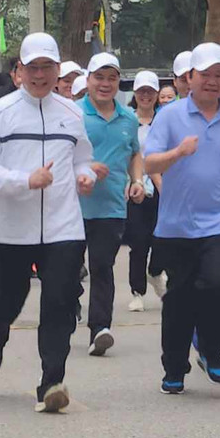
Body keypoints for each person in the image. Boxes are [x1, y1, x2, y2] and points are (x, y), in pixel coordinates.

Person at [0, 32, 98, 413]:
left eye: (47, 67)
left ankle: (52, 382)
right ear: (20, 70)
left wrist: (86, 175)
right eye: (33, 68)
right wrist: (25, 180)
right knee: (11, 297)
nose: (40, 75)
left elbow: (82, 158)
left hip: (63, 226)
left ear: (58, 70)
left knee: (60, 301)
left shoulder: (73, 113)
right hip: (11, 228)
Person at [144, 42, 220, 394]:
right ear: (190, 77)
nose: (213, 81)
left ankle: (211, 349)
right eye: (206, 74)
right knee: (180, 297)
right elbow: (150, 162)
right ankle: (174, 367)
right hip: (177, 224)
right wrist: (178, 152)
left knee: (219, 285)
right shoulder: (170, 115)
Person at [78, 52, 144, 356]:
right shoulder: (73, 114)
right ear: (88, 80)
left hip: (112, 207)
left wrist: (137, 180)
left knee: (102, 267)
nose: (105, 84)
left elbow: (135, 153)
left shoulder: (128, 118)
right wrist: (86, 166)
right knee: (68, 271)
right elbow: (60, 153)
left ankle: (100, 329)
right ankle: (67, 311)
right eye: (99, 77)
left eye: (111, 78)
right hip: (72, 207)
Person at [125, 70, 164, 312]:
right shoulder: (127, 120)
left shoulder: (165, 119)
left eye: (150, 91)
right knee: (138, 243)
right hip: (136, 188)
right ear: (135, 93)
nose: (146, 96)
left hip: (163, 188)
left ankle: (155, 272)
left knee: (162, 240)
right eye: (142, 91)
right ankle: (137, 291)